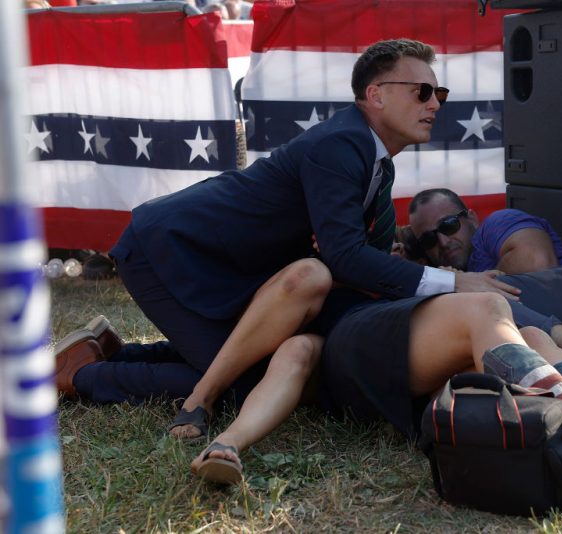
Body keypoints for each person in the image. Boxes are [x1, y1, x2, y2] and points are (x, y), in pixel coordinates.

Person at [53, 39, 519, 437]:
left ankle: (117, 350)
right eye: (422, 91)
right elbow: (346, 257)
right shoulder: (343, 144)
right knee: (244, 382)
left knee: (253, 357)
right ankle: (84, 376)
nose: (435, 103)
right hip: (169, 251)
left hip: (221, 263)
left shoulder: (374, 158)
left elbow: (366, 264)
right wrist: (453, 284)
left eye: (438, 91)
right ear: (375, 95)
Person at [191, 297, 562, 485]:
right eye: (423, 91)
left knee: (531, 337)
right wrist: (228, 441)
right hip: (354, 350)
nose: (434, 101)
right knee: (481, 309)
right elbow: (286, 367)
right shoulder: (304, 337)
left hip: (415, 363)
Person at [406, 188, 562, 371]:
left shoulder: (495, 223)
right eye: (428, 240)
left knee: (467, 305)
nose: (443, 242)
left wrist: (467, 283)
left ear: (471, 218)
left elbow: (535, 259)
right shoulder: (456, 274)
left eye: (448, 225)